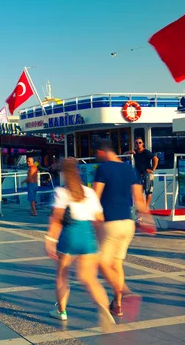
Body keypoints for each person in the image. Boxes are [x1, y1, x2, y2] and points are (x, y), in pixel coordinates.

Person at [45, 159, 116, 332]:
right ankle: (104, 309)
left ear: (63, 174)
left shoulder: (61, 192)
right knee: (89, 279)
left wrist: (50, 240)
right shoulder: (89, 193)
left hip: (70, 234)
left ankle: (61, 311)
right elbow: (99, 218)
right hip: (87, 236)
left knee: (62, 275)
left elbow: (57, 219)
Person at [93, 140, 153, 317]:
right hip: (127, 223)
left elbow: (95, 197)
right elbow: (139, 200)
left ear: (101, 152)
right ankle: (117, 304)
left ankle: (126, 293)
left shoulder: (103, 169)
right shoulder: (129, 169)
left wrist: (94, 219)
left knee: (101, 263)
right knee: (117, 264)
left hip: (110, 223)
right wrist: (147, 219)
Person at [126, 137, 158, 208]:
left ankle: (146, 207)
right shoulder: (135, 152)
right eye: (136, 143)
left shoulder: (146, 152)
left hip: (147, 174)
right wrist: (129, 152)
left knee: (148, 191)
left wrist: (152, 169)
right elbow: (124, 154)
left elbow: (155, 159)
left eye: (140, 142)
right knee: (139, 192)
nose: (138, 144)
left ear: (142, 144)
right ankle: (142, 208)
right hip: (139, 174)